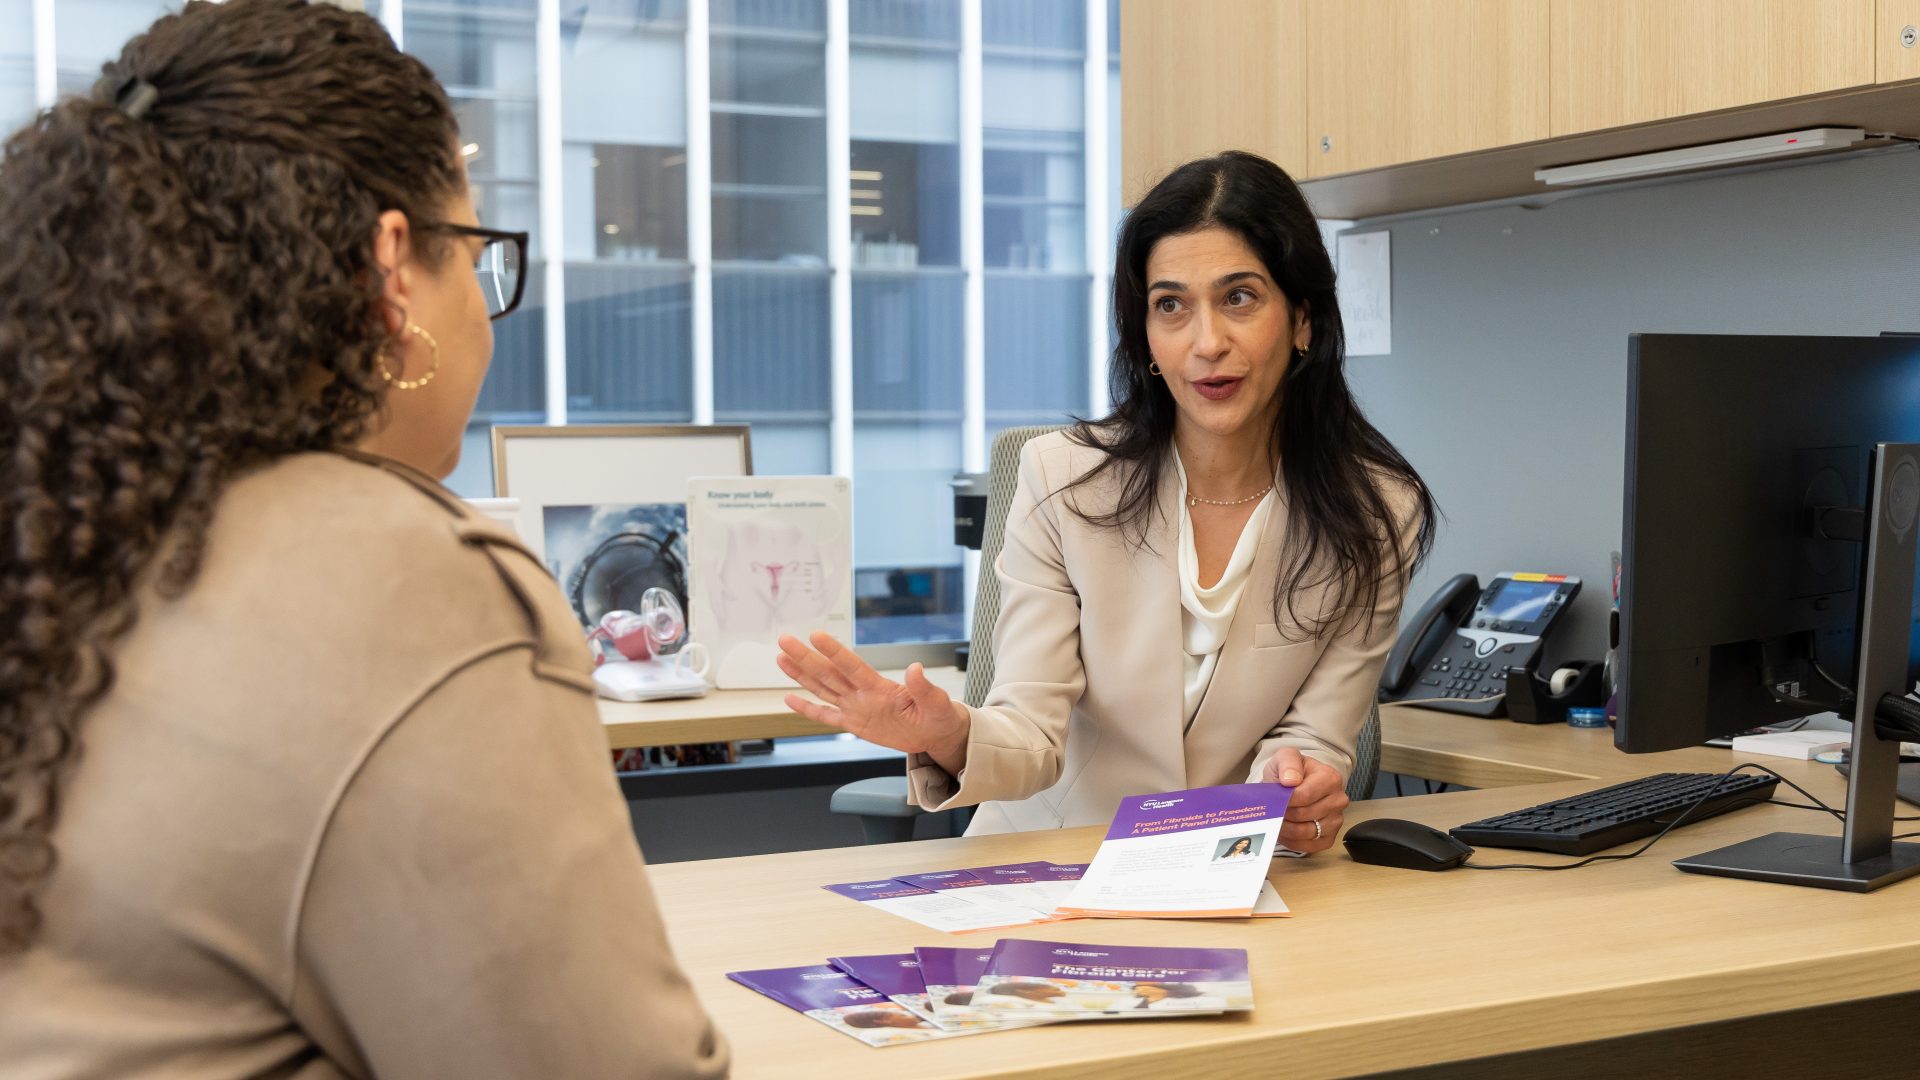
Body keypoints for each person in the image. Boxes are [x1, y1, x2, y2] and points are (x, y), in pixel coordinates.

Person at [0, 3, 727, 1076]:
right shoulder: (403, 577)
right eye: (476, 254)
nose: (485, 312)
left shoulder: (69, 528)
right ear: (391, 267)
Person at [777, 150, 1434, 850]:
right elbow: (1031, 729)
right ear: (1145, 335)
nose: (1207, 342)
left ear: (1301, 320)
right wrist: (951, 734)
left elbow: (1320, 737)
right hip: (1052, 862)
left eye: (1239, 297)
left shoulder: (1376, 515)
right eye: (1171, 305)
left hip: (1229, 867)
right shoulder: (1063, 480)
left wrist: (1302, 783)